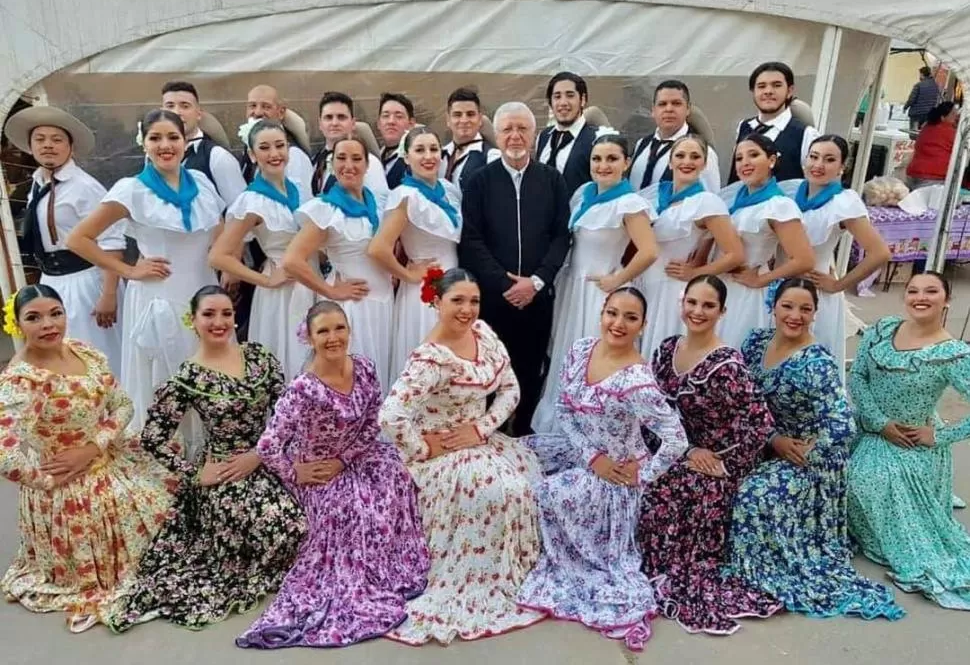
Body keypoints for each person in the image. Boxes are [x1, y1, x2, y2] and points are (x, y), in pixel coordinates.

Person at [106, 286, 306, 632]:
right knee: (284, 527)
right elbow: (152, 437)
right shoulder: (188, 377)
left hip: (268, 456)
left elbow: (287, 413)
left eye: (226, 314)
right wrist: (195, 474)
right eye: (209, 314)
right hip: (227, 470)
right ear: (193, 321)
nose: (219, 322)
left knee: (312, 521)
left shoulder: (259, 356)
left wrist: (260, 453)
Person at [237, 301, 429, 648]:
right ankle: (354, 585)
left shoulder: (366, 368)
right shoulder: (303, 389)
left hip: (356, 457)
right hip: (317, 469)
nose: (332, 337)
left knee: (400, 479)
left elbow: (374, 422)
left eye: (339, 328)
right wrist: (295, 472)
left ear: (349, 330)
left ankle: (391, 569)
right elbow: (267, 446)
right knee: (348, 509)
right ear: (310, 338)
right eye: (323, 331)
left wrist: (346, 458)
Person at [379, 269, 545, 644]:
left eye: (474, 300)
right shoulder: (430, 360)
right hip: (445, 453)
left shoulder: (483, 334)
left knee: (527, 480)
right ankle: (475, 577)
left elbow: (510, 390)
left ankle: (513, 571)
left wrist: (482, 428)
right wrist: (423, 447)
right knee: (500, 491)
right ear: (436, 303)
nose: (467, 309)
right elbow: (390, 416)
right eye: (457, 300)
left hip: (479, 440)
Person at [723, 278, 904, 622]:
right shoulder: (756, 342)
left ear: (815, 314)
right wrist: (768, 437)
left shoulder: (816, 362)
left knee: (754, 496)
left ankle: (761, 569)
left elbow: (842, 424)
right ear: (773, 307)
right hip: (764, 441)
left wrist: (809, 454)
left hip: (804, 457)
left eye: (805, 309)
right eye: (787, 306)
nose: (795, 315)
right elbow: (744, 401)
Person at [518, 287, 687, 651]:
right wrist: (591, 455)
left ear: (642, 325)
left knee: (551, 492)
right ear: (602, 313)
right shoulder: (581, 350)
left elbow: (676, 439)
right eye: (612, 313)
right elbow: (564, 408)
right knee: (518, 458)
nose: (618, 323)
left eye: (630, 317)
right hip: (583, 453)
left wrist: (641, 475)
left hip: (615, 476)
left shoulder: (637, 381)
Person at [0, 285, 173, 633]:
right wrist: (47, 481)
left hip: (107, 453)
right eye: (34, 318)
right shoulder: (22, 382)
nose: (48, 324)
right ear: (17, 325)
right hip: (69, 487)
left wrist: (93, 447)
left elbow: (123, 405)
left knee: (172, 495)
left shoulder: (83, 352)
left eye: (55, 313)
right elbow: (5, 455)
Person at [637, 275, 781, 635]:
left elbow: (759, 423)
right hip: (673, 450)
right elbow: (652, 412)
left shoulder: (727, 365)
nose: (697, 312)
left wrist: (724, 464)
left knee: (673, 493)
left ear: (722, 311)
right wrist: (680, 450)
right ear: (681, 303)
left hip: (712, 463)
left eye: (708, 305)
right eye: (692, 303)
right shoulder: (667, 349)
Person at [66, 109, 225, 433]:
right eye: (156, 138)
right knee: (169, 377)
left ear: (185, 141)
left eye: (173, 137)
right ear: (144, 144)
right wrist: (128, 270)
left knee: (210, 368)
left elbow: (216, 230)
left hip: (203, 288)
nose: (165, 145)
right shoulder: (131, 190)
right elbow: (78, 239)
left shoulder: (203, 184)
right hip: (159, 295)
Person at [847, 272, 970, 610]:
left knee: (866, 480)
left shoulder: (953, 354)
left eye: (931, 291)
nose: (920, 297)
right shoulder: (883, 328)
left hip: (909, 442)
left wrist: (939, 435)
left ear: (946, 300)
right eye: (913, 290)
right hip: (867, 425)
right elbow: (857, 376)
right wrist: (878, 421)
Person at [531, 132, 657, 434]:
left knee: (594, 358)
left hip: (598, 294)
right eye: (597, 159)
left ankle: (592, 429)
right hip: (572, 289)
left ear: (626, 163)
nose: (603, 165)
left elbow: (649, 250)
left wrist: (617, 279)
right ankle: (557, 427)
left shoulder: (629, 203)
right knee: (567, 356)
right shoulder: (584, 194)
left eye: (612, 159)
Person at [459, 102, 571, 436]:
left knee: (529, 368)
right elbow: (471, 239)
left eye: (522, 128)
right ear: (496, 134)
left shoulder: (552, 180)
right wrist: (503, 284)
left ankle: (522, 433)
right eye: (507, 129)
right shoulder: (480, 182)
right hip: (494, 299)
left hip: (536, 296)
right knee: (489, 370)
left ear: (534, 134)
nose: (515, 136)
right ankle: (487, 436)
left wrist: (536, 281)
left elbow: (561, 235)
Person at [3, 105, 125, 374]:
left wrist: (108, 295)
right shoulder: (37, 182)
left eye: (56, 139)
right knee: (60, 356)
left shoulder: (84, 187)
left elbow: (112, 241)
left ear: (71, 146)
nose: (48, 146)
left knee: (95, 353)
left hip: (87, 280)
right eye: (40, 139)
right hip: (53, 281)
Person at [208, 119, 315, 380]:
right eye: (265, 148)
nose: (274, 154)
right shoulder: (252, 201)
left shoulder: (299, 189)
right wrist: (265, 280)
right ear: (253, 155)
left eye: (280, 145)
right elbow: (218, 255)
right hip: (282, 292)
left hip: (311, 282)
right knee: (288, 359)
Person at [285, 135, 394, 391]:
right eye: (341, 158)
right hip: (354, 307)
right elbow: (292, 260)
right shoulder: (327, 210)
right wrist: (331, 291)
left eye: (357, 159)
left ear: (368, 165)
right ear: (332, 165)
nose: (349, 165)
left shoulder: (376, 203)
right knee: (355, 383)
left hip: (384, 305)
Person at [779, 135, 890, 376]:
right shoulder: (788, 191)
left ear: (842, 167)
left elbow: (879, 252)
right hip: (777, 286)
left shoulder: (843, 203)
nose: (818, 165)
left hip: (814, 289)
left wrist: (839, 284)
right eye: (814, 157)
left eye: (829, 160)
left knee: (810, 366)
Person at [638, 136, 744, 359]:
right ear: (670, 162)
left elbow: (735, 254)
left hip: (670, 289)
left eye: (695, 157)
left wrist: (696, 273)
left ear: (704, 164)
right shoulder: (654, 194)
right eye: (680, 155)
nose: (687, 161)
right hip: (643, 284)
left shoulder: (706, 202)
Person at [368, 126, 461, 380]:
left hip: (454, 282)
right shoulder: (406, 196)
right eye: (419, 150)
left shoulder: (449, 190)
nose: (428, 156)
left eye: (433, 149)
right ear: (407, 157)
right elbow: (378, 248)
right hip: (424, 290)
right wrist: (408, 275)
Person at [718, 134, 815, 348]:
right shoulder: (736, 200)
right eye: (739, 158)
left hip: (747, 292)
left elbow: (804, 259)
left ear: (771, 160)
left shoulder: (779, 205)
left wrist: (763, 279)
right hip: (722, 287)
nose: (745, 163)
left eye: (753, 155)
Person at [727, 62, 820, 182]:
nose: (768, 91)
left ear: (790, 91)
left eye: (776, 85)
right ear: (753, 92)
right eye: (761, 86)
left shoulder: (806, 134)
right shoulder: (744, 126)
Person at [161, 80, 247, 204]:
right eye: (170, 106)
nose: (177, 112)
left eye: (185, 106)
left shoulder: (217, 157)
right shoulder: (154, 155)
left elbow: (240, 211)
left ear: (199, 113)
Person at [630, 80, 721, 192]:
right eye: (662, 104)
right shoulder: (641, 144)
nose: (669, 109)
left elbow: (711, 197)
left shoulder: (703, 151)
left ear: (688, 109)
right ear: (653, 110)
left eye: (676, 103)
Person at [309, 91, 389, 206]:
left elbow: (379, 206)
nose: (334, 123)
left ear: (353, 123)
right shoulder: (315, 161)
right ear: (320, 124)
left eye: (341, 117)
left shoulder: (369, 162)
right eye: (328, 117)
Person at [240, 85, 314, 194]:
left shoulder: (294, 155)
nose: (258, 112)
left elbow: (301, 201)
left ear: (281, 112)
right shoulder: (248, 149)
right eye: (252, 106)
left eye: (266, 107)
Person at [536, 72, 599, 197]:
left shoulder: (596, 139)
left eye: (570, 96)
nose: (563, 102)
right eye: (557, 96)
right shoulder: (544, 136)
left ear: (583, 100)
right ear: (550, 102)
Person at [440, 87, 500, 187]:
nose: (464, 120)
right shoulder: (439, 155)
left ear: (480, 119)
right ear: (448, 120)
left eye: (470, 114)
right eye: (457, 115)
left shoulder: (492, 157)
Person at [906, 101, 959, 189]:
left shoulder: (927, 127)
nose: (956, 116)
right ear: (943, 117)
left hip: (914, 172)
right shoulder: (950, 132)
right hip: (933, 176)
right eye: (953, 114)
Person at [376, 92, 417, 189]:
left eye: (399, 116)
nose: (391, 121)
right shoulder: (373, 158)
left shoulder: (416, 160)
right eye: (386, 116)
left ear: (411, 124)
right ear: (378, 123)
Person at [903, 66, 942, 130]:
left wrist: (905, 107)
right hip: (929, 115)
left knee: (914, 133)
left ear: (922, 74)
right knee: (923, 133)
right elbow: (936, 101)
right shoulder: (935, 86)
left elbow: (911, 99)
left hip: (916, 115)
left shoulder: (918, 85)